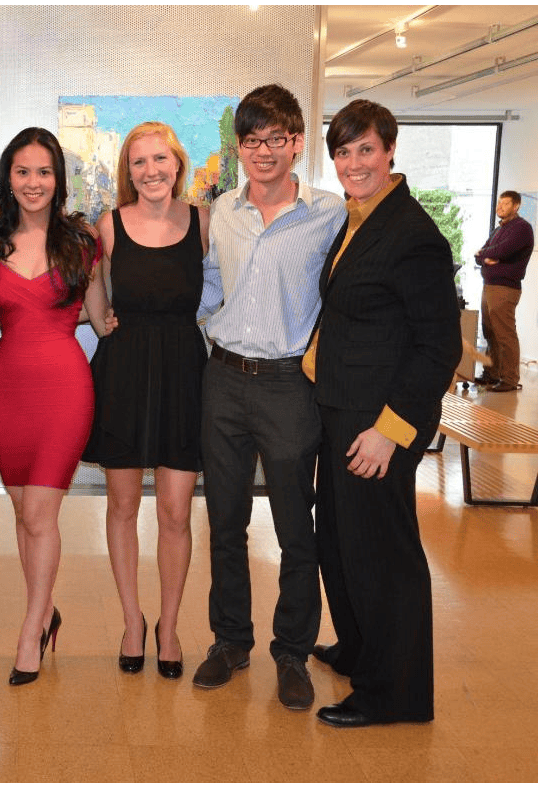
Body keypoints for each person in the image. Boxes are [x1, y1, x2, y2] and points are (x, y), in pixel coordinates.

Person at [305, 99, 462, 728]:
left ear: (390, 150)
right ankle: (360, 649)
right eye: (343, 152)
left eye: (365, 149)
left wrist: (389, 432)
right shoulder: (359, 218)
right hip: (343, 409)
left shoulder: (413, 235)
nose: (354, 163)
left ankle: (394, 693)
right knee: (341, 542)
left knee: (381, 554)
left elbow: (438, 346)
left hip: (378, 422)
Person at [194, 84, 346, 710]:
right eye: (252, 140)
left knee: (294, 528)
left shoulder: (330, 214)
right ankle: (231, 640)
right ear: (239, 147)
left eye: (276, 139)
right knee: (225, 523)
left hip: (290, 386)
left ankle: (292, 652)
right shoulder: (222, 212)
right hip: (224, 380)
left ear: (297, 142)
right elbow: (211, 287)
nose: (263, 151)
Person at [0, 127, 112, 685]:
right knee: (23, 513)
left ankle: (30, 629)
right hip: (7, 388)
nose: (33, 183)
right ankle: (45, 609)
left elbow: (100, 316)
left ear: (59, 179)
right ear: (8, 178)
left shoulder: (82, 241)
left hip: (64, 388)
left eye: (44, 172)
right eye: (23, 171)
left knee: (39, 514)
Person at [82, 122, 209, 678]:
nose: (151, 170)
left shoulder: (204, 222)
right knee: (123, 506)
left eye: (160, 159)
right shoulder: (108, 226)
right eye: (139, 162)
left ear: (177, 164)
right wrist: (100, 322)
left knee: (176, 511)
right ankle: (133, 621)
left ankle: (170, 627)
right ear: (128, 172)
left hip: (184, 371)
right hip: (125, 371)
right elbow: (92, 283)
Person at [475, 189, 534, 392]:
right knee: (490, 331)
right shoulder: (498, 229)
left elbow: (502, 250)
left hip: (505, 288)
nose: (500, 207)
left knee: (504, 334)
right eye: (499, 203)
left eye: (505, 203)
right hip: (489, 285)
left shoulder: (522, 228)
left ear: (516, 206)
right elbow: (480, 254)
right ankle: (492, 373)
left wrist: (488, 254)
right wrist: (486, 256)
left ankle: (509, 379)